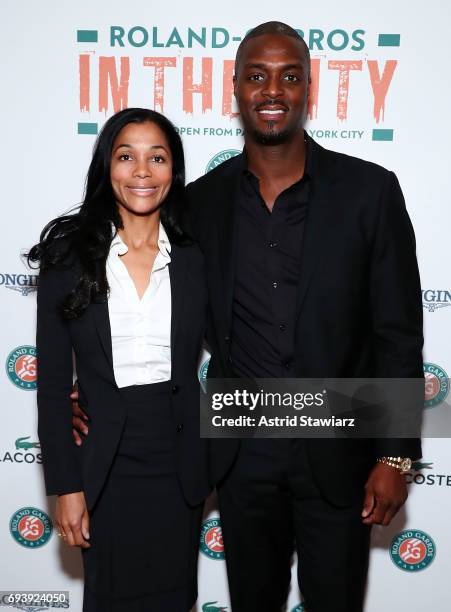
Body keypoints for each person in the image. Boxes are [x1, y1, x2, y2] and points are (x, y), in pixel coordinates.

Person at [72, 22, 423, 612]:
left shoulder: (370, 192)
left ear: (308, 87)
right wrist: (91, 389)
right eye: (257, 76)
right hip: (239, 448)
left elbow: (397, 331)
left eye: (289, 76)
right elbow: (141, 293)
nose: (272, 90)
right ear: (235, 87)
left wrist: (395, 453)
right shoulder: (198, 203)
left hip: (339, 443)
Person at [30, 108, 209, 612]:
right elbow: (49, 387)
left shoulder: (196, 257)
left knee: (174, 598)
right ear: (107, 166)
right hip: (104, 462)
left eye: (158, 158)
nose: (143, 172)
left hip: (179, 460)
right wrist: (65, 485)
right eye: (127, 156)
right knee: (109, 598)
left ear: (174, 171)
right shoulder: (69, 256)